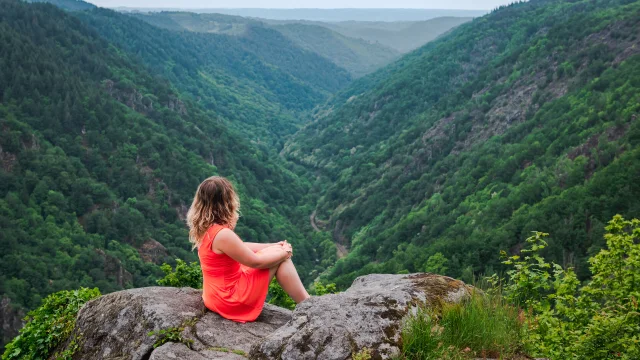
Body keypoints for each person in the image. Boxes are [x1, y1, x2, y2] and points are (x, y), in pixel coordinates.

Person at [186, 176, 310, 322]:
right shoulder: (223, 234)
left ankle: (308, 302)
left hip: (214, 296)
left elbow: (241, 247)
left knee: (275, 254)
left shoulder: (206, 228)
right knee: (281, 261)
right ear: (226, 201)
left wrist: (273, 246)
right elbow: (256, 262)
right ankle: (309, 304)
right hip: (230, 300)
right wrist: (285, 252)